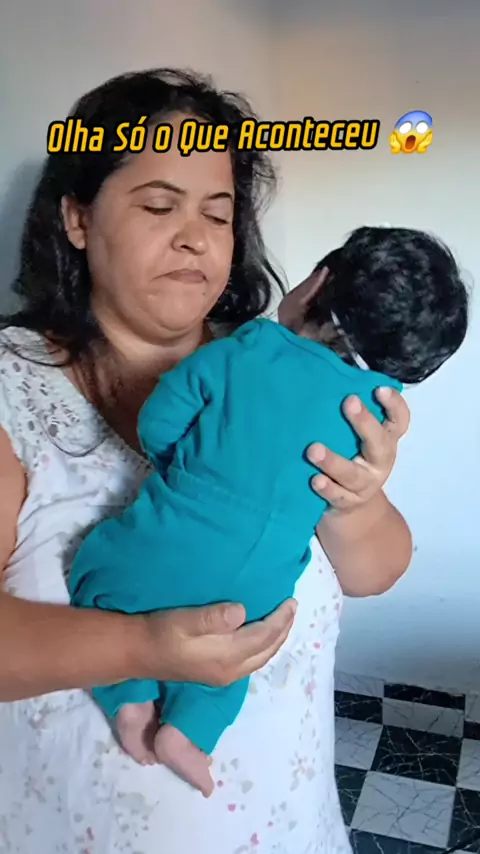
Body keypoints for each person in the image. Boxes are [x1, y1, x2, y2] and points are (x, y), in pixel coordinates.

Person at [0, 68, 412, 854]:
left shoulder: (283, 373)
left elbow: (376, 571)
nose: (195, 237)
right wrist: (141, 649)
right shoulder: (12, 386)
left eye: (218, 215)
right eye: (159, 206)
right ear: (78, 217)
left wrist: (358, 496)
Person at [67, 223, 467, 798]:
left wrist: (183, 463)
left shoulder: (249, 347)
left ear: (316, 284)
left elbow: (159, 421)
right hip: (263, 587)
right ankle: (189, 733)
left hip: (169, 538)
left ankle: (130, 703)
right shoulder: (379, 412)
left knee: (99, 576)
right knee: (230, 660)